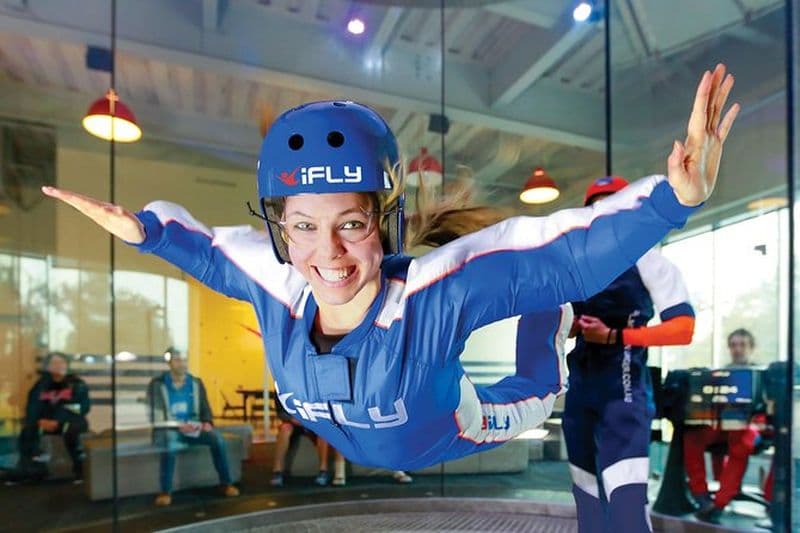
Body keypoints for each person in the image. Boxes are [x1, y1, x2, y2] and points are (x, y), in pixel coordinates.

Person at [42, 64, 739, 472]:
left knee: (543, 375)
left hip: (454, 425)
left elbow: (558, 251)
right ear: (280, 230)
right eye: (305, 227)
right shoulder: (277, 283)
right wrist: (145, 230)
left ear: (386, 223)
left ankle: (547, 329)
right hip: (363, 437)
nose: (330, 254)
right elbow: (202, 246)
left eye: (351, 223)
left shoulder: (433, 295)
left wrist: (670, 201)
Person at [562, 175, 696, 533]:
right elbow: (548, 323)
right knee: (587, 503)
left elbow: (683, 329)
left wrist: (614, 335)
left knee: (625, 505)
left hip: (624, 392)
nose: (603, 213)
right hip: (579, 394)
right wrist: (570, 328)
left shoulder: (649, 260)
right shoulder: (574, 264)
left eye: (612, 204)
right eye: (596, 207)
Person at [683, 328, 766, 524]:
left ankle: (719, 503)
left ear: (751, 348)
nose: (737, 349)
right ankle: (700, 495)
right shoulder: (722, 373)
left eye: (742, 345)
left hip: (749, 426)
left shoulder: (762, 373)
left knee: (741, 444)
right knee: (692, 437)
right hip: (722, 423)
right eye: (733, 345)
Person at [146, 347, 239, 506]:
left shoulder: (195, 383)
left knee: (217, 439)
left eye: (184, 360)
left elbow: (205, 408)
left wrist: (207, 423)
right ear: (169, 363)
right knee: (170, 443)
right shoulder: (157, 384)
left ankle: (226, 483)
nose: (182, 363)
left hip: (193, 427)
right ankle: (165, 491)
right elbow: (155, 414)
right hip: (168, 428)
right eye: (177, 360)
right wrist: (177, 425)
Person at [9, 352, 90, 482]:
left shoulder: (77, 384)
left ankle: (79, 470)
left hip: (69, 421)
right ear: (48, 367)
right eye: (54, 363)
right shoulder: (40, 385)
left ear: (67, 365)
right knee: (27, 431)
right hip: (44, 422)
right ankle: (33, 470)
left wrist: (58, 420)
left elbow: (82, 407)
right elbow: (33, 406)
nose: (58, 366)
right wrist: (38, 420)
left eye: (61, 363)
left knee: (75, 430)